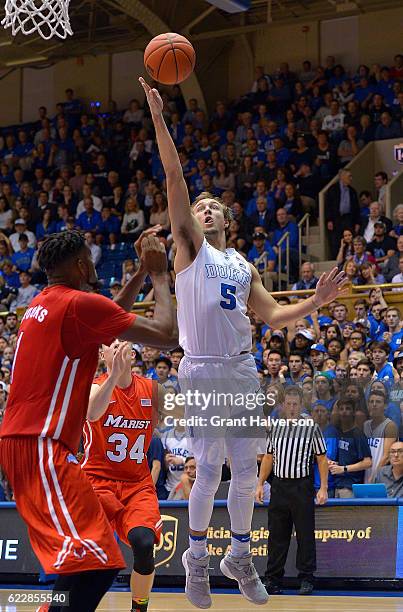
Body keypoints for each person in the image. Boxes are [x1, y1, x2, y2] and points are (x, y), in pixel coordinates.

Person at [140, 75, 346, 608]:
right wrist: (161, 119)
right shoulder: (190, 249)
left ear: (228, 220)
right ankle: (197, 558)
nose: (203, 210)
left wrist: (316, 303)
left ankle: (237, 554)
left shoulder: (241, 264)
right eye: (199, 207)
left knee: (250, 474)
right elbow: (173, 175)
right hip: (203, 367)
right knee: (207, 469)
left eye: (213, 207)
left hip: (243, 369)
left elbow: (274, 314)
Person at [0, 229, 177, 612]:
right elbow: (167, 334)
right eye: (89, 259)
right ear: (81, 264)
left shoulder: (46, 303)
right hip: (41, 444)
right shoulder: (78, 305)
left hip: (29, 442)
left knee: (94, 561)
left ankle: (52, 607)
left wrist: (138, 273)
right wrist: (160, 274)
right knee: (95, 563)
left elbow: (106, 317)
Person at [82, 340, 164, 612]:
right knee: (87, 552)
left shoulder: (153, 390)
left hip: (137, 485)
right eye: (111, 346)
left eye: (122, 345)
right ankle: (62, 603)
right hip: (97, 482)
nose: (117, 349)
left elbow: (186, 416)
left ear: (133, 354)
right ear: (102, 354)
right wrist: (114, 375)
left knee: (143, 543)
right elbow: (93, 412)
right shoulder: (93, 386)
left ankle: (138, 608)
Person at [256, 386, 328, 596]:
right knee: (276, 535)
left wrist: (322, 487)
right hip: (278, 485)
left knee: (305, 534)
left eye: (295, 404)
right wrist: (260, 484)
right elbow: (269, 457)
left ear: (301, 405)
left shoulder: (311, 427)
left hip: (301, 486)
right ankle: (273, 579)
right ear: (282, 405)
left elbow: (321, 458)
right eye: (288, 404)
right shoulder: (276, 427)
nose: (292, 408)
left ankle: (306, 578)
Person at [329, 398, 372, 498]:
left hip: (351, 488)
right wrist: (335, 464)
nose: (344, 411)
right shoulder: (339, 432)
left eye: (347, 408)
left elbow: (368, 462)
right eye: (341, 409)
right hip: (337, 485)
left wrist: (343, 468)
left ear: (353, 412)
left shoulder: (358, 434)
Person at [363, 390, 397, 483]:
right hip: (365, 475)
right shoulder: (365, 425)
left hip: (382, 477)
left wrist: (374, 476)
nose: (374, 404)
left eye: (378, 402)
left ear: (385, 406)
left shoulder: (390, 426)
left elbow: (386, 457)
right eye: (371, 401)